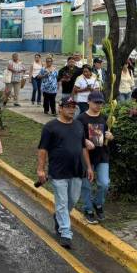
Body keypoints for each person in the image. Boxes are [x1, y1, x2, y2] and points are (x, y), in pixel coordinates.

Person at [37, 96, 93, 249]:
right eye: (67, 106)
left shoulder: (79, 125)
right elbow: (42, 149)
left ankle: (59, 217)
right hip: (58, 171)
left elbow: (83, 148)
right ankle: (66, 233)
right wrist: (41, 169)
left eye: (73, 106)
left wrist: (88, 167)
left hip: (77, 170)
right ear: (60, 108)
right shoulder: (50, 127)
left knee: (72, 201)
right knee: (61, 202)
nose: (71, 109)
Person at [78, 92, 113, 225]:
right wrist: (85, 141)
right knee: (86, 184)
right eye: (96, 102)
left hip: (102, 155)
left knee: (104, 183)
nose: (98, 105)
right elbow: (78, 141)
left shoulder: (105, 117)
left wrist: (111, 137)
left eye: (101, 103)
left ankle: (98, 204)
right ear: (88, 101)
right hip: (86, 156)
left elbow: (108, 137)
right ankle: (88, 209)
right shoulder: (81, 119)